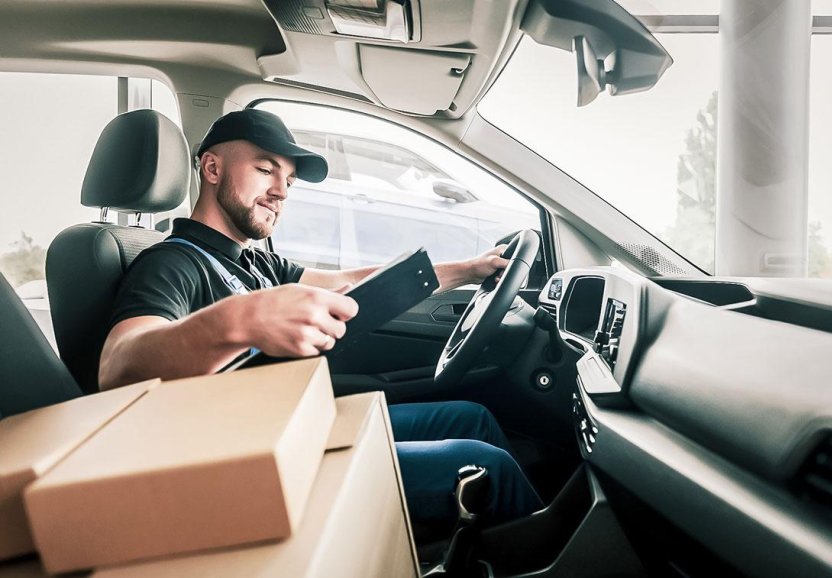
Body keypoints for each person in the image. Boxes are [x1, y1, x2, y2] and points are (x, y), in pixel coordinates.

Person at [99, 108, 543, 530]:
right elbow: (117, 365)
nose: (281, 192)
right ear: (212, 169)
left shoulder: (255, 262)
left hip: (298, 420)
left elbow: (346, 282)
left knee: (472, 417)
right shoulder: (172, 263)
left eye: (289, 180)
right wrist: (239, 319)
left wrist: (468, 269)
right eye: (265, 169)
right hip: (256, 453)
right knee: (488, 466)